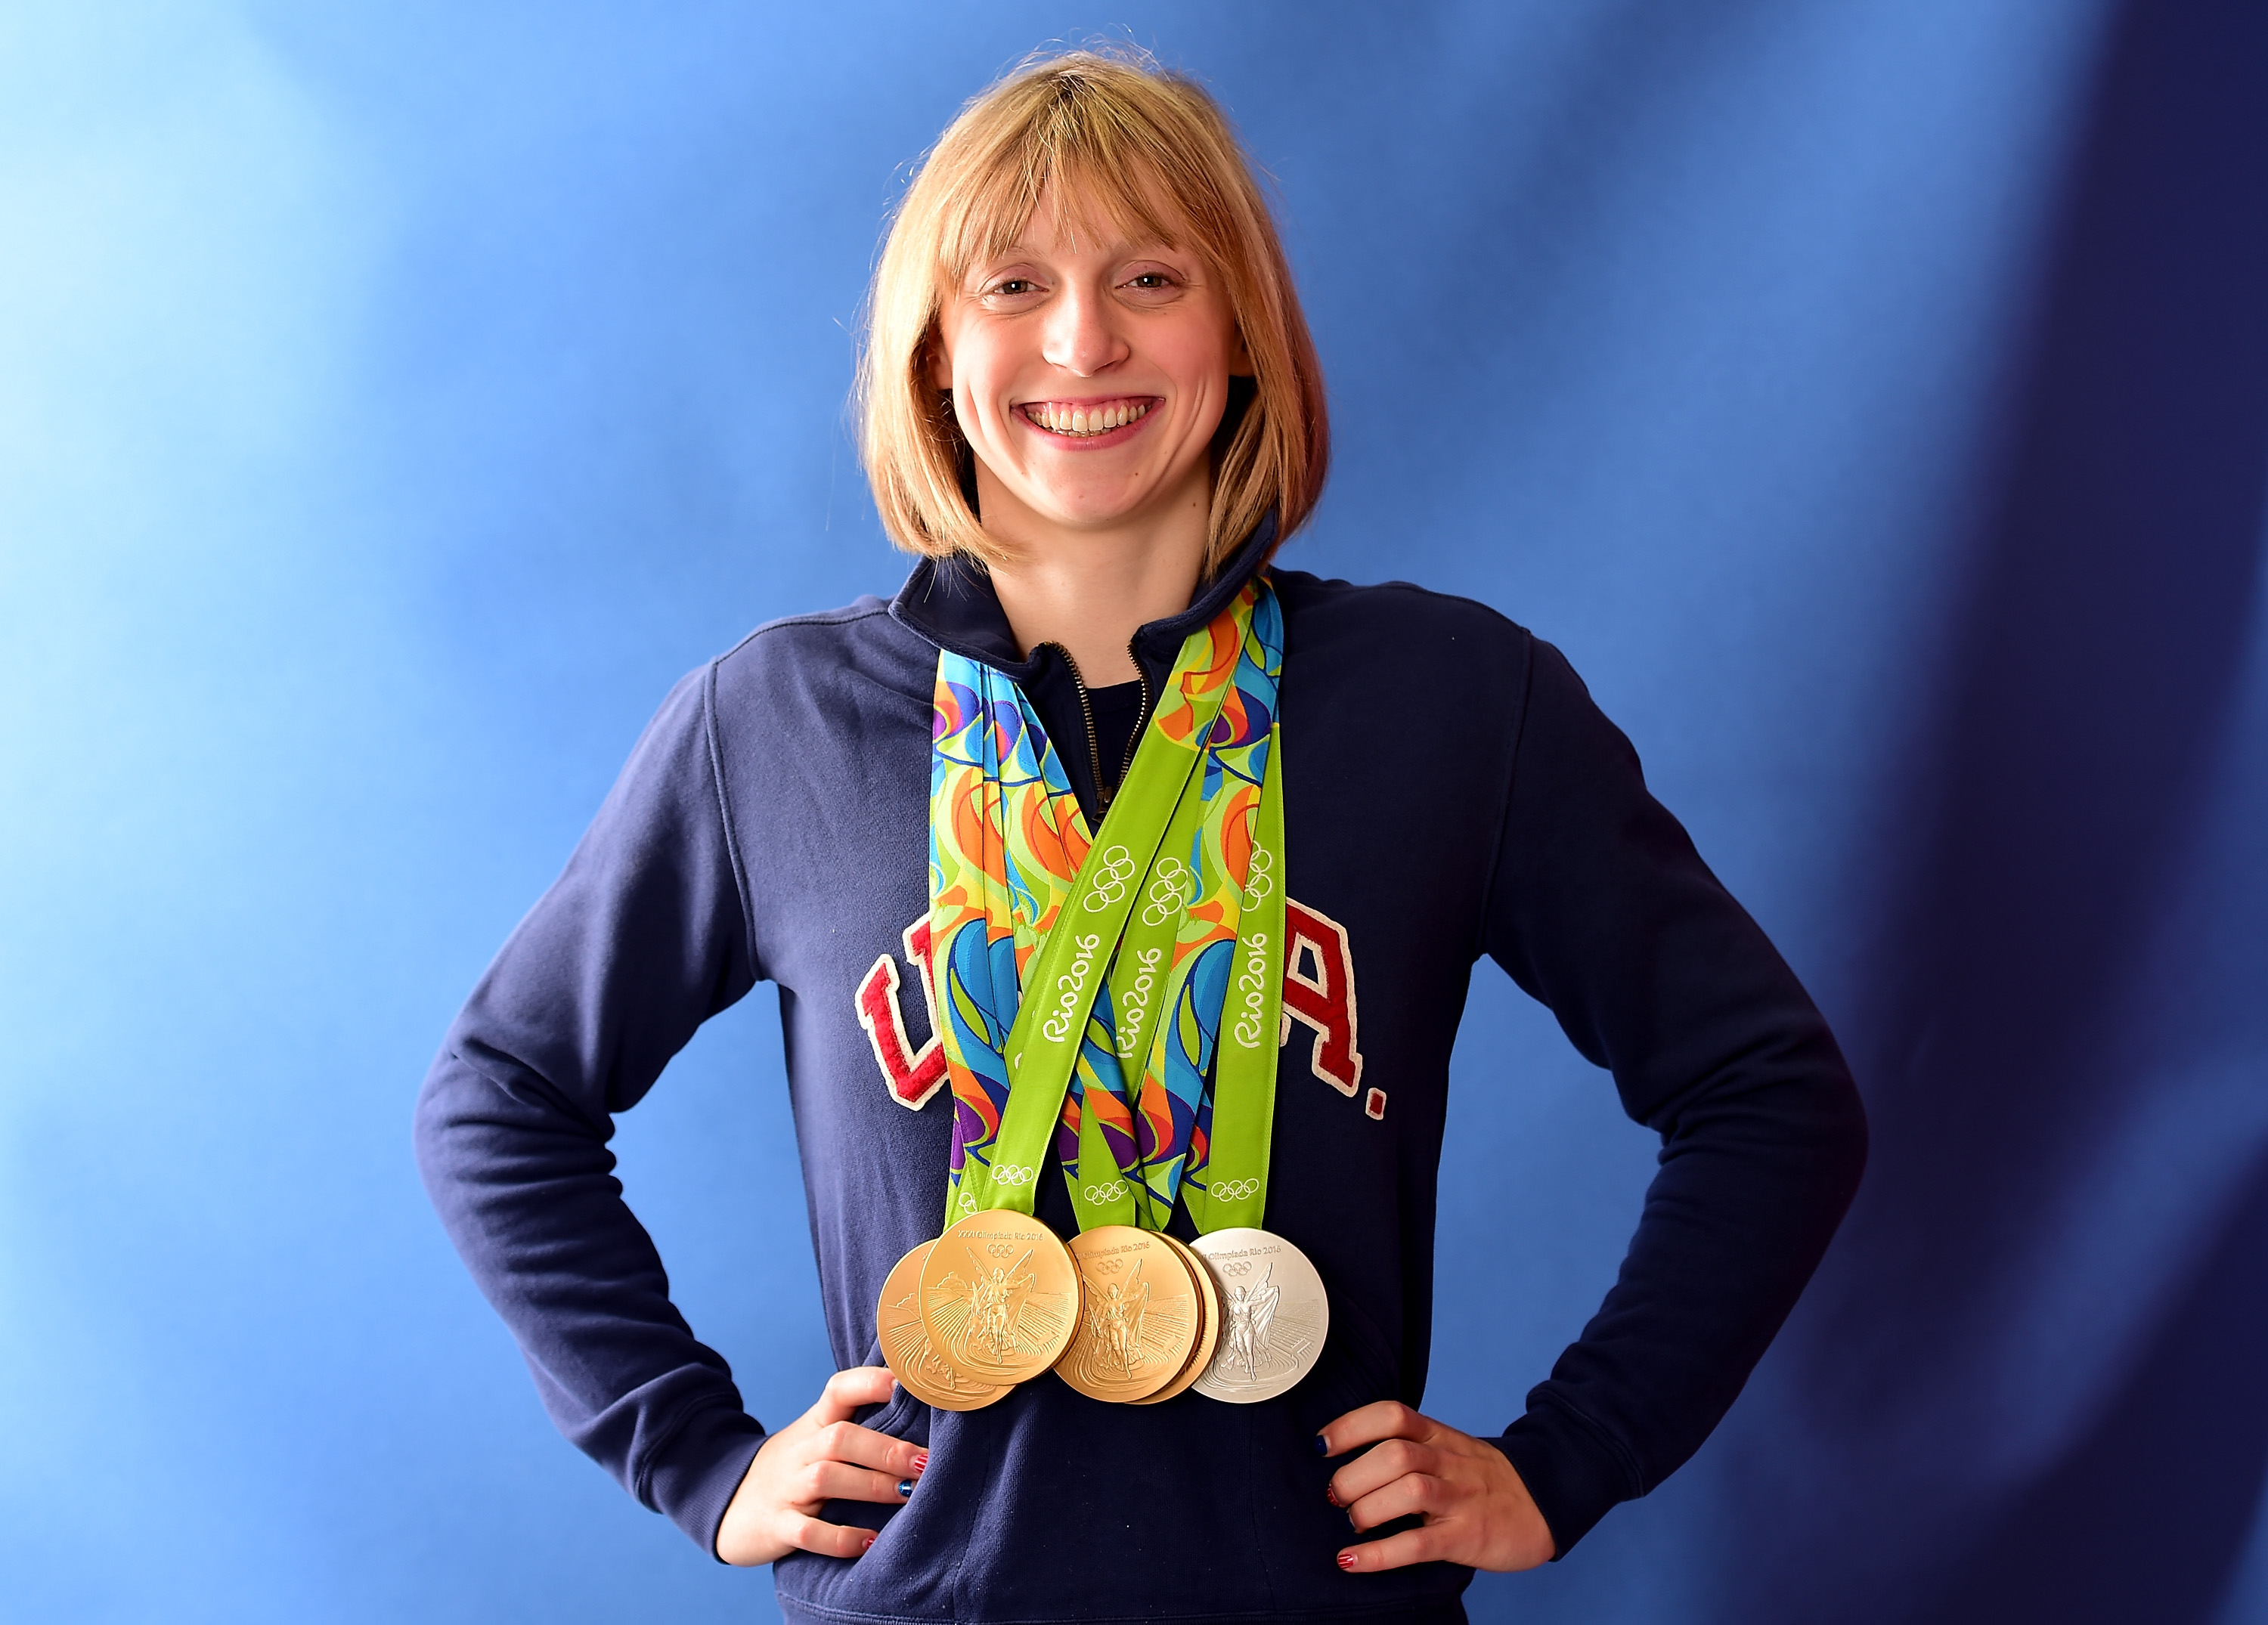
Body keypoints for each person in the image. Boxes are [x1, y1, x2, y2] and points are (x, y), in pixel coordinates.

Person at [415, 45, 1867, 1625]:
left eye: (1151, 276)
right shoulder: (773, 724)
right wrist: (693, 1453)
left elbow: (1769, 1092)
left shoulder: (1459, 701)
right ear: (932, 350)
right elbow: (501, 1095)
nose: (1083, 339)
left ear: (1239, 328)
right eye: (1014, 283)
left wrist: (1570, 1457)